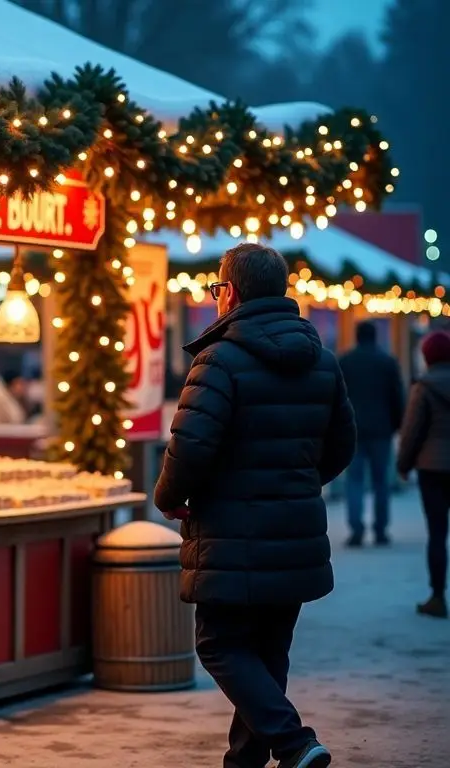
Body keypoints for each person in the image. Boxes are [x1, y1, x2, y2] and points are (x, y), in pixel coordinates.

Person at [154, 243, 355, 768]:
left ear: (232, 293)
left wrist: (169, 498)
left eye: (218, 288)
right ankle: (243, 761)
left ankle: (294, 743)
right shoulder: (322, 361)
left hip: (228, 530)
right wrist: (297, 484)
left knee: (219, 644)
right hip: (294, 530)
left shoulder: (218, 359)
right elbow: (343, 445)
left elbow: (190, 448)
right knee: (267, 652)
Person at [395, 331, 450, 619]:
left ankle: (438, 597)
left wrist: (403, 465)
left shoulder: (424, 387)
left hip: (432, 468)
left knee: (438, 534)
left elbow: (412, 432)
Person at [338, 321, 405, 546]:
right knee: (380, 482)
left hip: (353, 429)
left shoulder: (346, 362)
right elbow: (397, 397)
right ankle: (380, 530)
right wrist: (397, 425)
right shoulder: (387, 362)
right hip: (381, 430)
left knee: (354, 481)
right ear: (375, 337)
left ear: (356, 337)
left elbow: (337, 397)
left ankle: (356, 529)